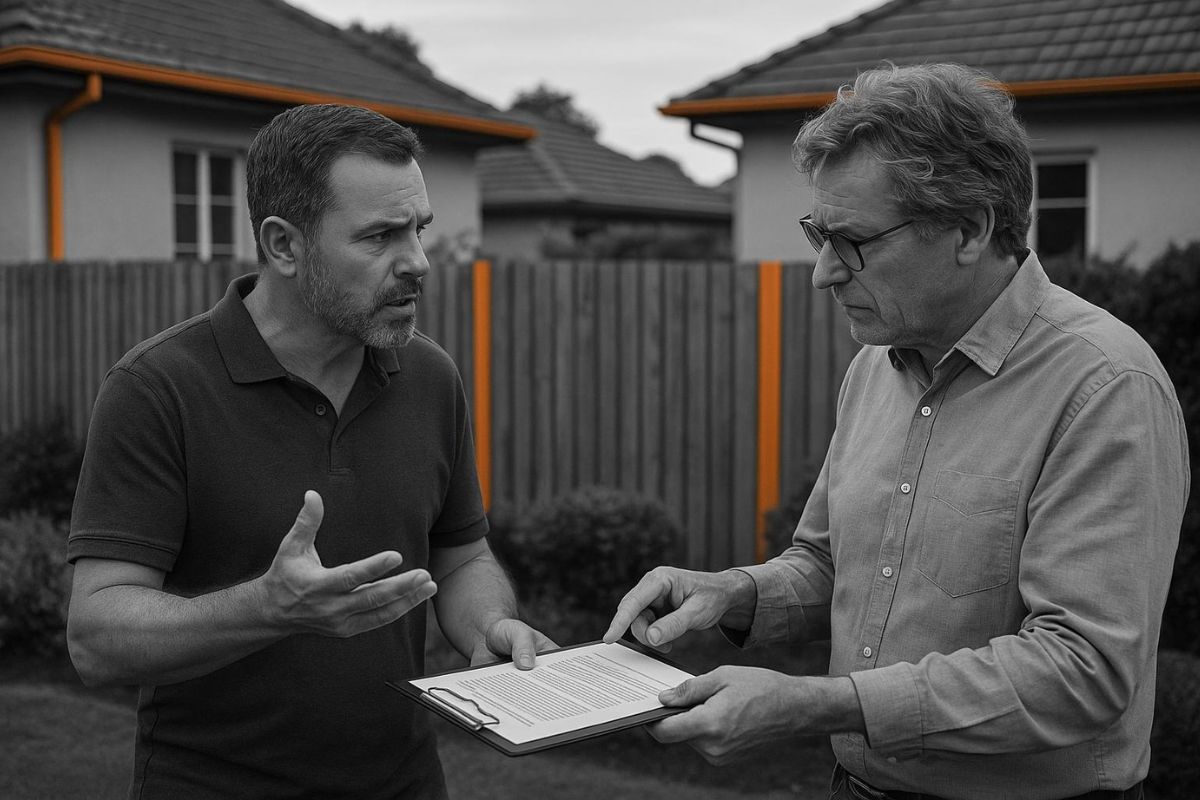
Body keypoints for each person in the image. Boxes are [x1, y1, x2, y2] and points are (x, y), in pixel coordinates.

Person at [604, 63, 1188, 800]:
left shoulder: (1104, 387)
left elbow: (1084, 671)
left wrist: (816, 704)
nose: (823, 273)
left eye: (852, 241)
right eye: (819, 235)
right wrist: (730, 593)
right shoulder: (877, 367)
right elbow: (830, 564)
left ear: (970, 229)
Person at [66, 103, 554, 799]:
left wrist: (490, 625)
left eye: (418, 229)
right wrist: (265, 608)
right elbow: (95, 638)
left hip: (405, 783)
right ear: (284, 246)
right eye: (380, 236)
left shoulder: (429, 376)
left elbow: (462, 557)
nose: (418, 262)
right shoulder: (158, 388)